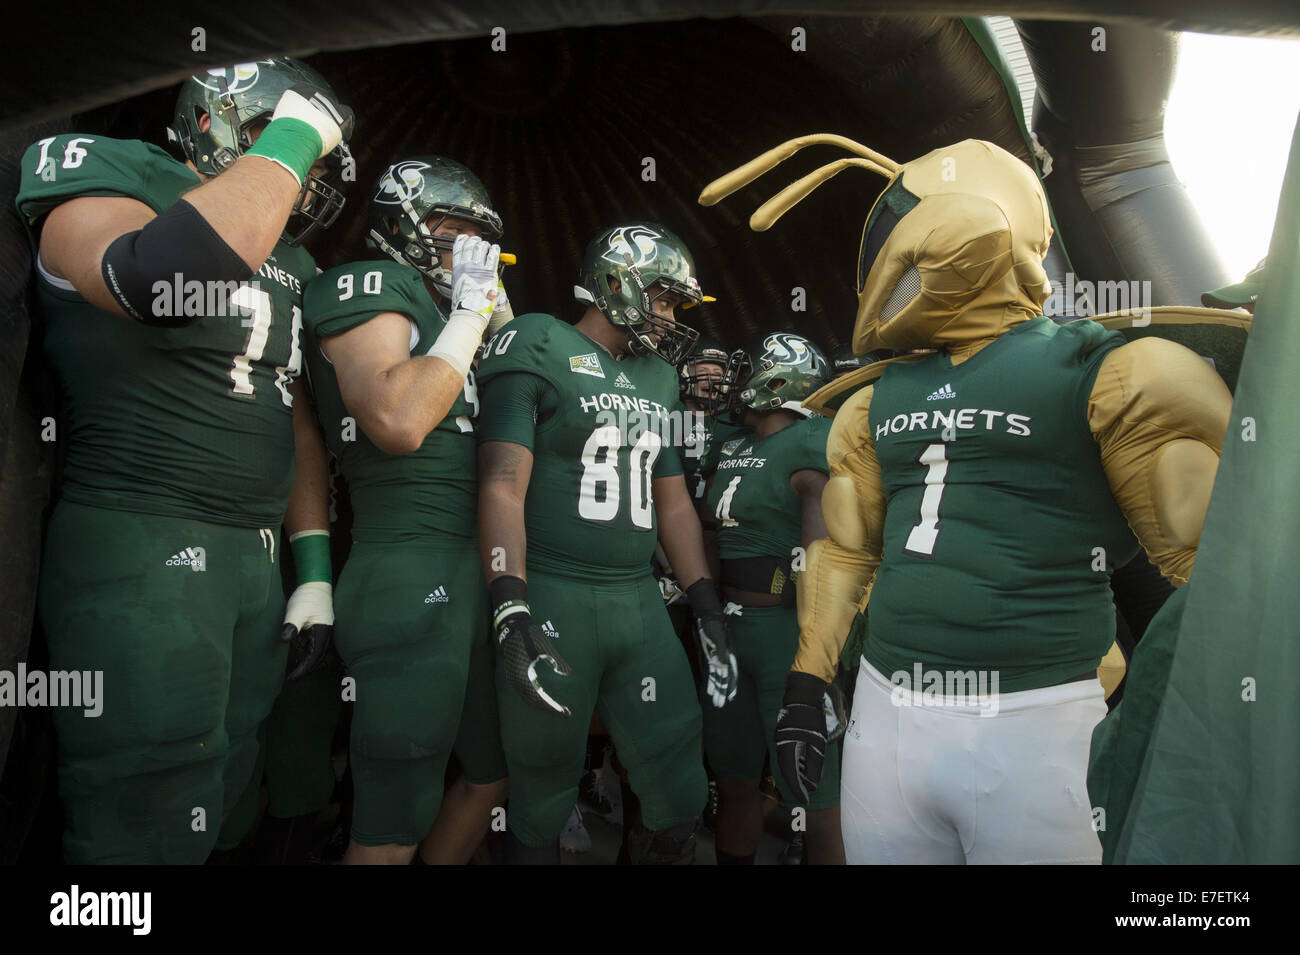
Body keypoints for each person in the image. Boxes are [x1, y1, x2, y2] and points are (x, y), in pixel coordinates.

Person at [700, 134, 1232, 864]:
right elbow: (847, 550)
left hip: (1037, 719)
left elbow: (1213, 583)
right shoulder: (875, 399)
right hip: (889, 713)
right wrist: (806, 681)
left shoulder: (1110, 371)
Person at [14, 56, 354, 863]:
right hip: (141, 540)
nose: (304, 172)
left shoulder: (295, 264)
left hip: (254, 558)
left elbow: (293, 418)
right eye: (286, 139)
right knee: (140, 816)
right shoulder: (117, 171)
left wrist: (309, 568)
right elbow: (154, 276)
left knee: (228, 786)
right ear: (217, 122)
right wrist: (305, 127)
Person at [475, 221, 737, 864]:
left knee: (678, 778)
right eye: (665, 298)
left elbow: (672, 501)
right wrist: (511, 603)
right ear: (617, 283)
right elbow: (501, 483)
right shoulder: (538, 339)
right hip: (555, 592)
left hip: (637, 601)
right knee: (538, 786)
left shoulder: (659, 378)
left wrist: (704, 604)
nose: (674, 317)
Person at [302, 156, 511, 864]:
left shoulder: (463, 316)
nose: (467, 251)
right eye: (451, 230)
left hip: (478, 576)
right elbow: (396, 418)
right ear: (402, 223)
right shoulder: (373, 286)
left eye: (476, 236)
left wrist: (495, 328)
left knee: (492, 772)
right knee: (394, 813)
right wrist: (471, 317)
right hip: (407, 563)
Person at [702, 331, 846, 865]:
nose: (736, 385)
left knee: (814, 801)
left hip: (785, 631)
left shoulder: (811, 442)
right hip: (727, 632)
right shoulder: (734, 444)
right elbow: (711, 534)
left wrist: (823, 660)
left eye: (748, 372)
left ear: (777, 379)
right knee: (735, 782)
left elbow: (822, 559)